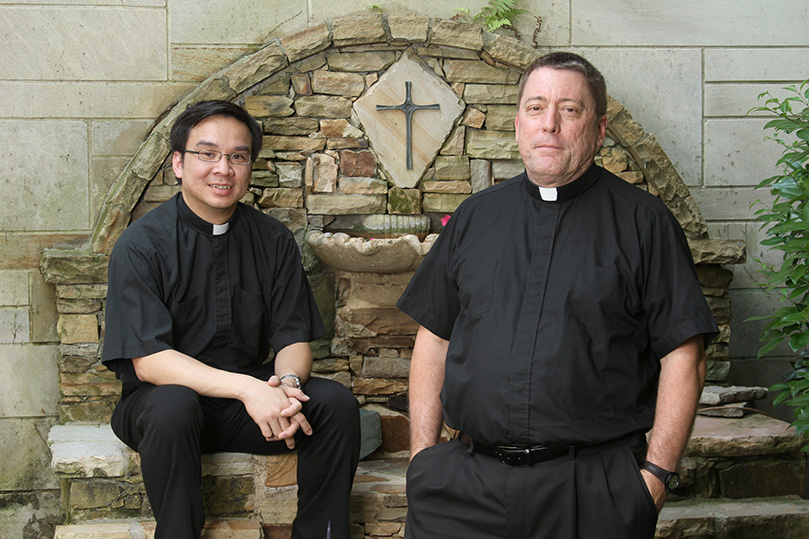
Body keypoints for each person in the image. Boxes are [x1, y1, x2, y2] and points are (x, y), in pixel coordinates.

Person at [397, 52, 718, 538]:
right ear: (519, 123)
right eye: (535, 107)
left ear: (600, 128)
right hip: (464, 487)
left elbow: (684, 355)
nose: (549, 124)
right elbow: (434, 338)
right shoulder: (474, 218)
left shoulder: (645, 223)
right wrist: (423, 460)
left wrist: (653, 478)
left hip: (590, 493)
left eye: (570, 110)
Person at [102, 100, 360, 539]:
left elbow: (293, 337)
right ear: (179, 164)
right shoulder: (141, 244)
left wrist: (287, 389)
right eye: (207, 154)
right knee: (173, 404)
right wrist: (250, 390)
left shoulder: (273, 239)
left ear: (248, 168)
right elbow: (149, 361)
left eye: (238, 157)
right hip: (164, 411)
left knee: (335, 404)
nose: (223, 169)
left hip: (248, 409)